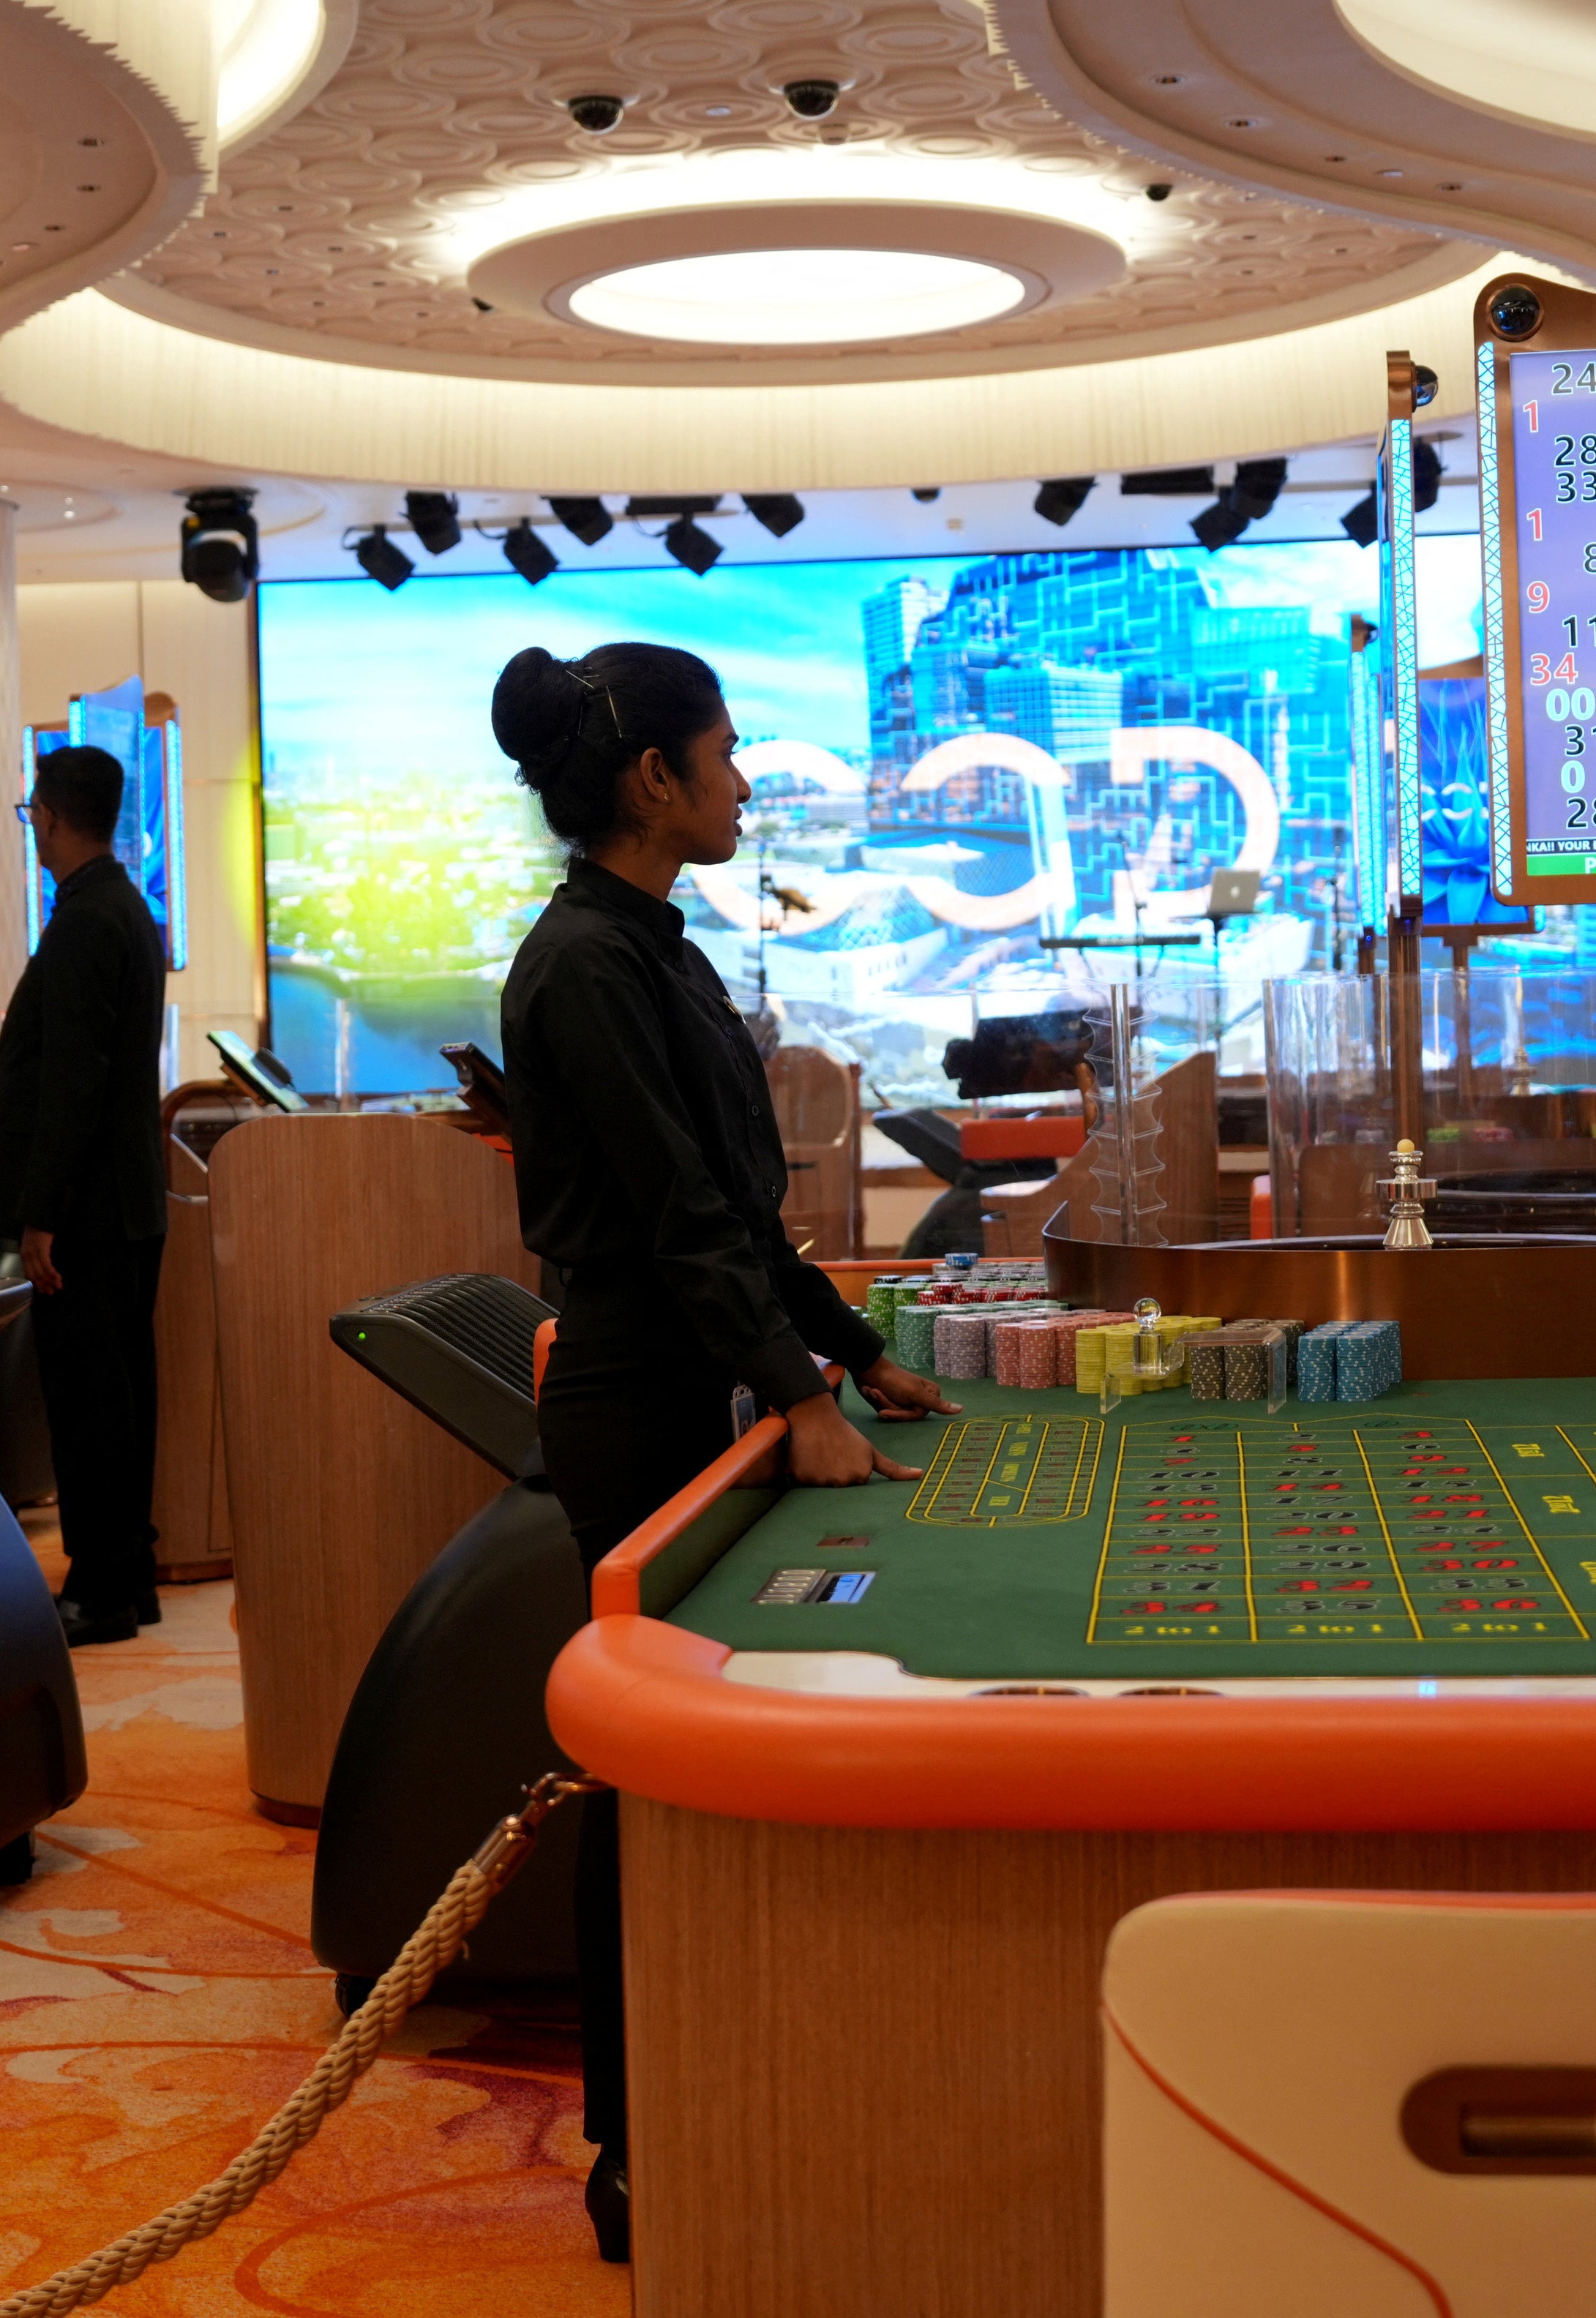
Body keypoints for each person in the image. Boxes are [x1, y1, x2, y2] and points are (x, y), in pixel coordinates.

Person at [486, 641, 958, 2262]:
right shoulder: (585, 967)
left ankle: (679, 2095)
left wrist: (852, 1351)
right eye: (729, 751)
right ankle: (634, 2139)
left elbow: (730, 1211)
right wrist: (799, 1396)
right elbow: (679, 1222)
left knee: (678, 1766)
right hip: (629, 1393)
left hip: (693, 1367)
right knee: (646, 1778)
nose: (748, 779)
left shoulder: (648, 945)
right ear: (653, 782)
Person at [0, 743, 168, 1649]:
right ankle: (126, 1578)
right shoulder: (127, 910)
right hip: (129, 1198)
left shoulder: (82, 923)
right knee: (124, 1397)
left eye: (31, 815)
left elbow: (71, 1081)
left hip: (86, 1211)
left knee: (91, 1404)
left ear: (51, 818)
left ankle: (99, 1588)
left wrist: (41, 1211)